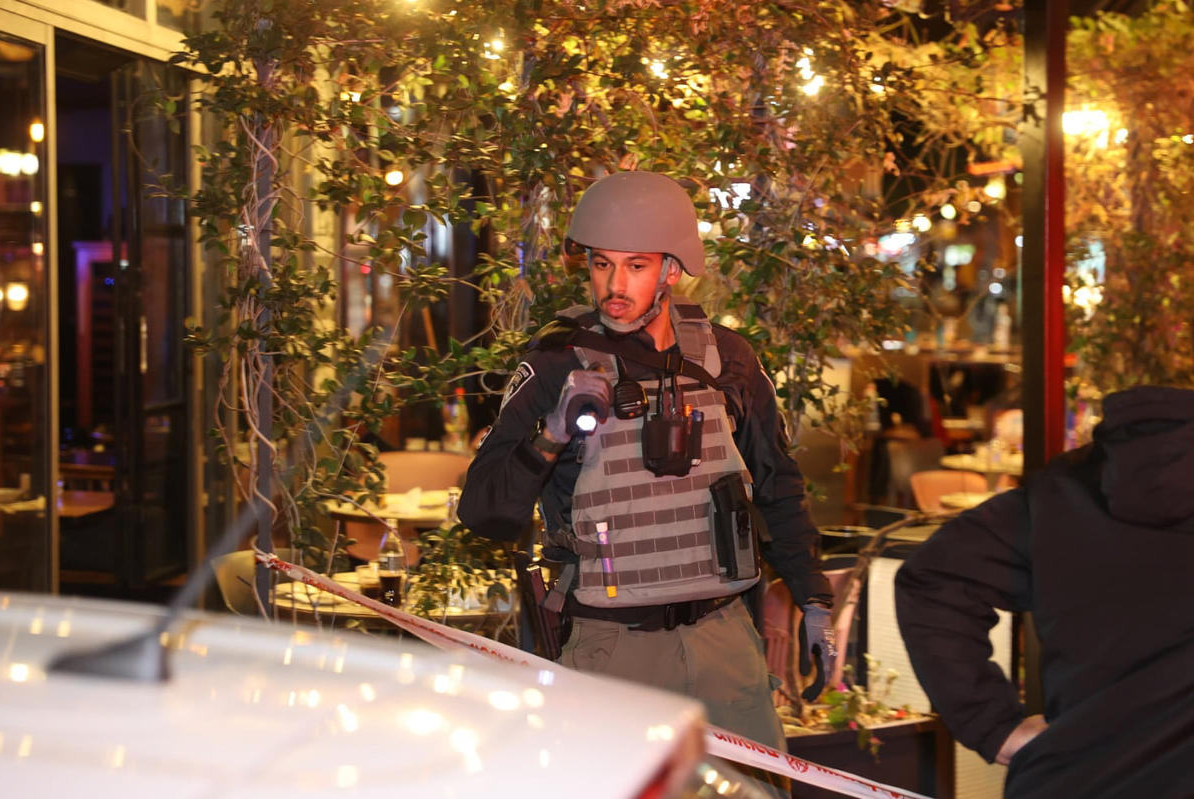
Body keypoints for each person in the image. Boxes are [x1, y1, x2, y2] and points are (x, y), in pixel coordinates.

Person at [458, 171, 836, 780]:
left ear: (671, 270)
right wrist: (553, 433)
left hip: (723, 640)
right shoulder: (555, 361)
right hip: (613, 645)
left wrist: (814, 599)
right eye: (602, 265)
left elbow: (778, 484)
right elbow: (481, 510)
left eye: (635, 265)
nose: (614, 285)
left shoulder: (728, 359)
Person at [895, 385, 1194, 799]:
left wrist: (993, 727)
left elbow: (934, 578)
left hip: (1072, 776)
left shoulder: (1060, 495)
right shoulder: (1060, 495)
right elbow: (934, 579)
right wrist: (994, 727)